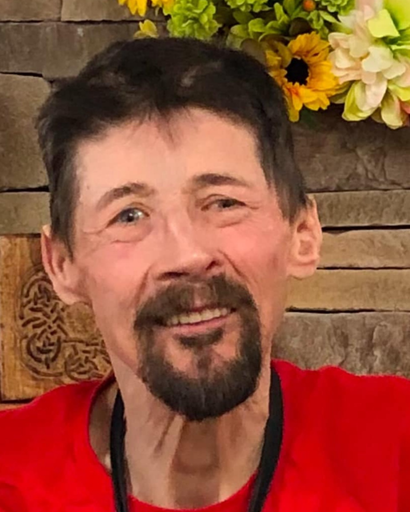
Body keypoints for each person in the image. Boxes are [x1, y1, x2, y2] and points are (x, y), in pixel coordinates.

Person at [0, 36, 409, 512]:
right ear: (62, 265)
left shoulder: (395, 446)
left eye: (224, 203)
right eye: (129, 216)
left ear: (303, 233)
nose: (188, 255)